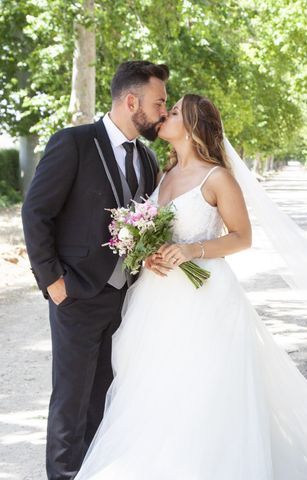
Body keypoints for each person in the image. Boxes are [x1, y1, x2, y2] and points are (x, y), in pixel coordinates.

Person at [73, 93, 307, 479]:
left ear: (191, 127)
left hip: (205, 300)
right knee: (156, 389)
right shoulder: (164, 174)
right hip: (157, 300)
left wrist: (194, 249)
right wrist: (151, 252)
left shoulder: (217, 177)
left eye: (173, 112)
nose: (165, 116)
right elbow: (157, 233)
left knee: (201, 390)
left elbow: (242, 237)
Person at [21, 60, 169, 480]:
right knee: (70, 398)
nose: (163, 111)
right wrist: (53, 283)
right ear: (130, 100)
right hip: (76, 293)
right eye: (159, 103)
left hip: (126, 298)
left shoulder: (146, 156)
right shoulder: (74, 142)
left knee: (105, 397)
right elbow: (36, 213)